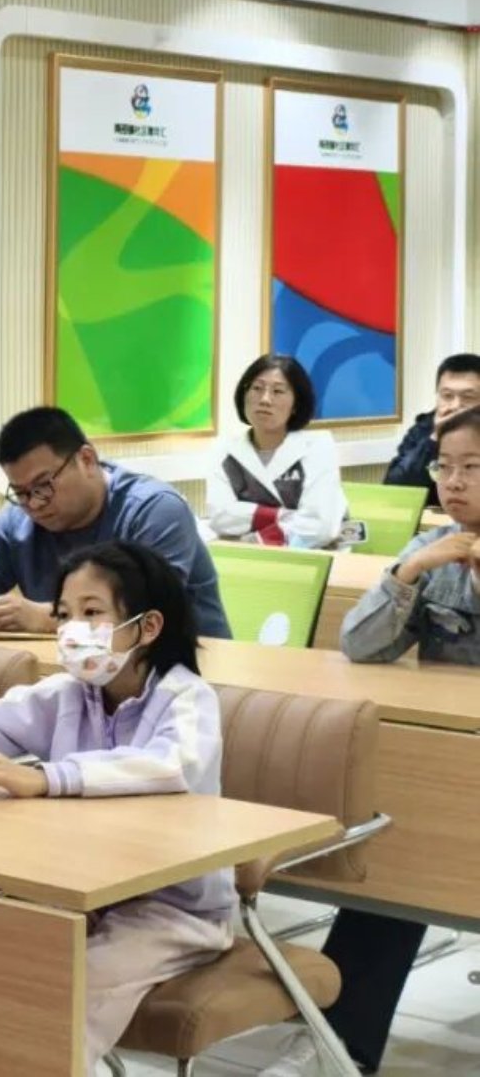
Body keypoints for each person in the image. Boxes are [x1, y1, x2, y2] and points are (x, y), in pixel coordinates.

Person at [0, 542, 234, 1072]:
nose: (75, 629)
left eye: (92, 613)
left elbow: (170, 765)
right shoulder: (69, 693)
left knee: (65, 996)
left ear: (147, 627)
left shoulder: (187, 697)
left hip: (172, 908)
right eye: (65, 615)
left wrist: (47, 777)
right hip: (80, 895)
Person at [264, 407, 480, 1076]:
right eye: (444, 467)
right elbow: (359, 645)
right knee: (401, 866)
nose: (452, 482)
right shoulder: (438, 551)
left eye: (472, 468)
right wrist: (408, 573)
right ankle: (339, 1049)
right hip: (454, 764)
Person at [0, 407, 231, 638]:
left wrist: (47, 618)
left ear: (86, 459)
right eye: (20, 493)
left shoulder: (154, 510)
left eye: (43, 485)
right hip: (81, 676)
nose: (34, 504)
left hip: (184, 676)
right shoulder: (19, 520)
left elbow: (148, 610)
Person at [204, 354, 348, 549]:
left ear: (296, 404)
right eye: (257, 388)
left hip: (312, 558)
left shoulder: (318, 447)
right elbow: (220, 517)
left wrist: (258, 539)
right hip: (243, 559)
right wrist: (284, 516)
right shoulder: (224, 449)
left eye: (278, 391)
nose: (265, 399)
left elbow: (319, 527)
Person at [383, 352, 480, 508]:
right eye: (447, 396)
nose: (455, 406)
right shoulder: (424, 428)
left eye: (468, 397)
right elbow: (395, 490)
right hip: (435, 520)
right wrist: (434, 438)